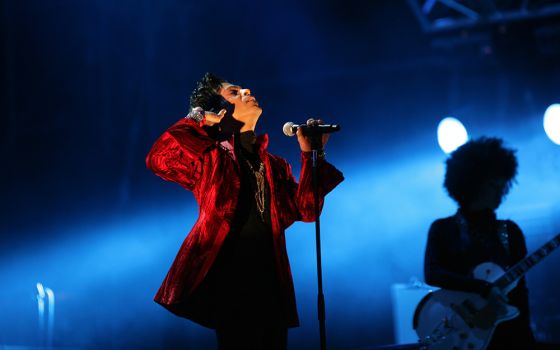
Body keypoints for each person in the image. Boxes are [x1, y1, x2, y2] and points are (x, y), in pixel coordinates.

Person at [146, 72, 344, 349]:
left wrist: (312, 154)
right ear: (221, 111)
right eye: (234, 92)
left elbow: (307, 210)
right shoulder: (209, 158)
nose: (247, 90)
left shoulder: (274, 165)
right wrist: (198, 117)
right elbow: (159, 159)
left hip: (271, 282)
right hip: (231, 281)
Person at [424, 137, 536, 349]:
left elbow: (521, 294)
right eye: (494, 183)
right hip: (462, 336)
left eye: (503, 183)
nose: (502, 190)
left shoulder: (510, 231)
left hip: (510, 337)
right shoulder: (443, 229)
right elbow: (433, 273)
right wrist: (483, 288)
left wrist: (526, 340)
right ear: (474, 182)